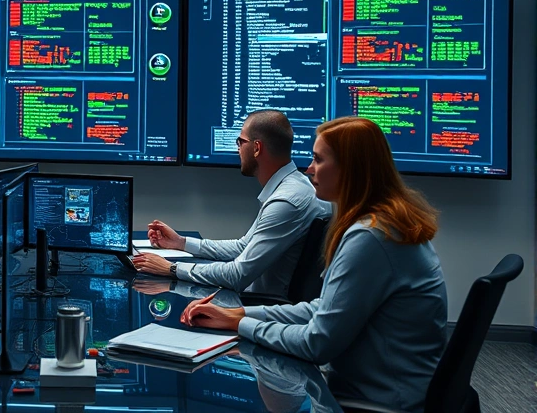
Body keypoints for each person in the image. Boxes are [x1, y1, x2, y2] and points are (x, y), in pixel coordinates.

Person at [180, 116, 447, 412]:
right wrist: (239, 313)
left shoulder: (371, 237)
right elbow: (323, 308)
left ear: (351, 169)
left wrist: (241, 324)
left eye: (319, 160)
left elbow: (316, 344)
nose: (309, 169)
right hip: (386, 388)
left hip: (376, 401)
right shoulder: (382, 224)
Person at [132, 110, 330, 297]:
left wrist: (171, 268)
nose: (238, 149)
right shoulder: (295, 188)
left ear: (257, 148)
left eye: (240, 141)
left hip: (261, 307)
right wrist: (181, 243)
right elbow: (244, 247)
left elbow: (238, 275)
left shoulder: (286, 201)